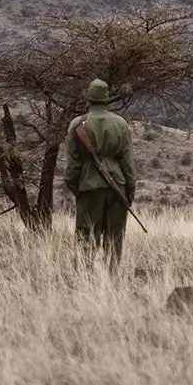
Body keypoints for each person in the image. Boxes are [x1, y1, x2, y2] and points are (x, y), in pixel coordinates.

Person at [64, 78, 137, 272]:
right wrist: (129, 191)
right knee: (114, 238)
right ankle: (111, 281)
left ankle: (86, 281)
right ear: (107, 100)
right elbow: (128, 163)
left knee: (86, 237)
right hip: (117, 187)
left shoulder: (77, 124)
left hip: (88, 188)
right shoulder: (121, 124)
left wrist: (77, 190)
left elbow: (72, 166)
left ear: (89, 99)